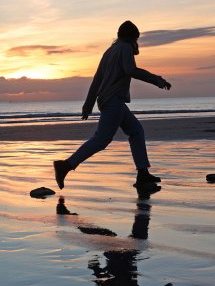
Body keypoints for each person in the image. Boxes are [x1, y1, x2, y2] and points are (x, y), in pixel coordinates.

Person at [53, 20, 171, 189]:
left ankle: (143, 173)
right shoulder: (125, 48)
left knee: (136, 131)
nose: (136, 43)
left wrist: (88, 104)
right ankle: (66, 165)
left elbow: (97, 78)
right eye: (136, 39)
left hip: (112, 101)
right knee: (102, 139)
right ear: (131, 38)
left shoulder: (110, 51)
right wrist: (157, 80)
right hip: (113, 100)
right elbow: (131, 70)